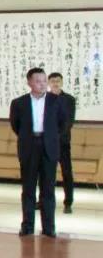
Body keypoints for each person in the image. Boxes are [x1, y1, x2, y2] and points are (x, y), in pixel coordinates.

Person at [10, 68, 69, 238]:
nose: (42, 84)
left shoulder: (56, 101)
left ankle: (49, 228)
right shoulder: (19, 103)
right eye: (38, 81)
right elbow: (16, 125)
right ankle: (27, 226)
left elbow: (64, 124)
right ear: (29, 82)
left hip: (48, 146)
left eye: (44, 81)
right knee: (28, 188)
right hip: (29, 146)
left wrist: (50, 137)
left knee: (48, 189)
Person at [48, 72, 76, 214]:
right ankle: (44, 201)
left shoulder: (69, 99)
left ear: (62, 82)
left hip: (63, 142)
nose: (55, 83)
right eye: (52, 81)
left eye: (58, 81)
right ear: (48, 83)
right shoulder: (44, 99)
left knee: (66, 173)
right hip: (47, 143)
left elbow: (69, 122)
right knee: (46, 174)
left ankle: (68, 203)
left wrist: (57, 136)